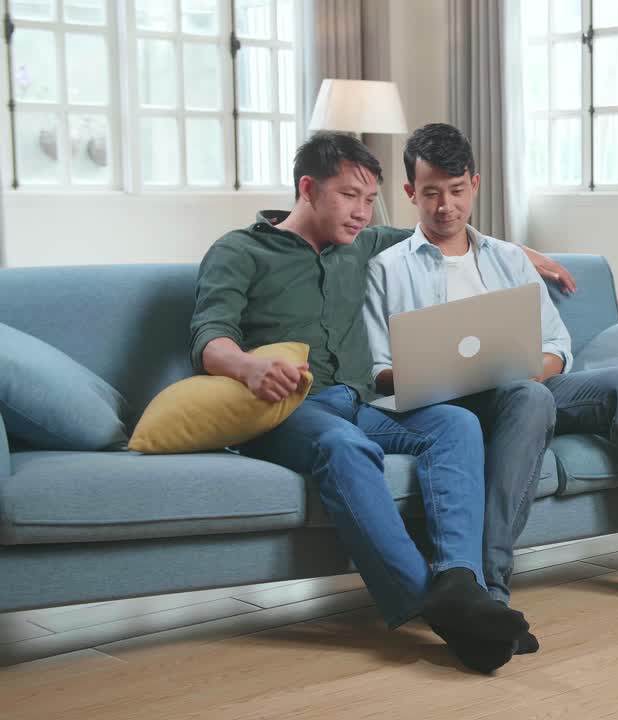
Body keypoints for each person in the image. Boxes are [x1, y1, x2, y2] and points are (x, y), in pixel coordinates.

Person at [364, 124, 618, 645]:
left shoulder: (508, 258)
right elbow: (378, 370)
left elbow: (557, 347)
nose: (445, 206)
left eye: (456, 191)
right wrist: (432, 370)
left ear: (474, 184)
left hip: (522, 388)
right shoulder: (387, 269)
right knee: (529, 396)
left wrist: (527, 368)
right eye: (430, 193)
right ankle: (492, 594)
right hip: (447, 404)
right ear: (411, 194)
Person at [190, 131, 535, 674]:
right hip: (288, 412)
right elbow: (210, 336)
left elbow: (446, 231)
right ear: (308, 188)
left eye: (370, 200)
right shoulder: (241, 250)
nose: (361, 212)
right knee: (344, 446)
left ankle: (460, 578)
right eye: (350, 196)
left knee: (455, 423)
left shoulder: (364, 243)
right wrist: (248, 366)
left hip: (365, 404)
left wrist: (533, 256)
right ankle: (442, 611)